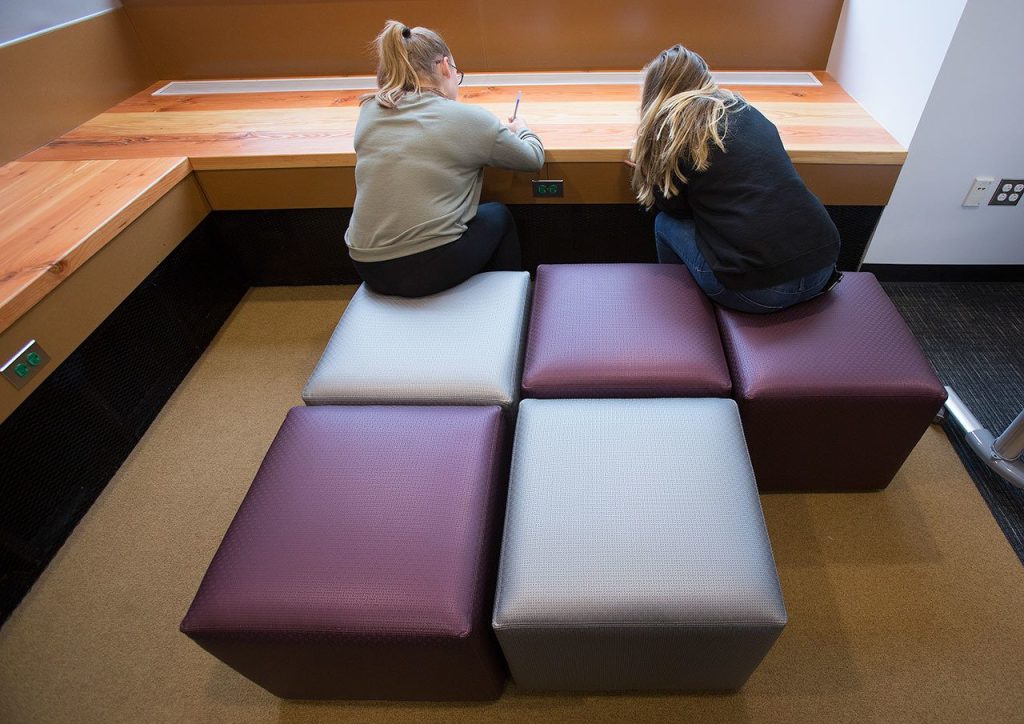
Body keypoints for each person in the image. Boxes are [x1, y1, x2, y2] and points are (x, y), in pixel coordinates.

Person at [630, 44, 842, 314]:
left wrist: (651, 168)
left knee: (664, 223)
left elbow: (675, 209)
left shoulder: (673, 130)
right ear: (704, 79)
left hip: (761, 292)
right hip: (823, 268)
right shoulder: (748, 111)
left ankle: (683, 308)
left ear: (656, 91)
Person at [345, 20, 545, 297]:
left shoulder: (369, 110)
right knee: (499, 215)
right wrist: (522, 129)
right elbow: (532, 159)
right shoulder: (468, 119)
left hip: (366, 265)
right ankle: (507, 299)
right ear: (443, 66)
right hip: (425, 267)